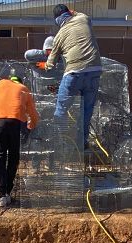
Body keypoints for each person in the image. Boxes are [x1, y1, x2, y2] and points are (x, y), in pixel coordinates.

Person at [46, 4, 102, 149]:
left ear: (57, 20)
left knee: (61, 110)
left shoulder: (59, 36)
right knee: (86, 111)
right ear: (69, 13)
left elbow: (50, 63)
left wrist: (44, 66)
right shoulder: (84, 19)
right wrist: (71, 11)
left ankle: (59, 143)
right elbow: (75, 13)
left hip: (74, 73)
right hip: (94, 72)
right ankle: (81, 144)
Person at [0, 75, 39, 207]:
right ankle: (8, 193)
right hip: (16, 122)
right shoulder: (23, 88)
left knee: (0, 156)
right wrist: (31, 126)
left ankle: (1, 194)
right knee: (13, 157)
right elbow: (33, 113)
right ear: (20, 82)